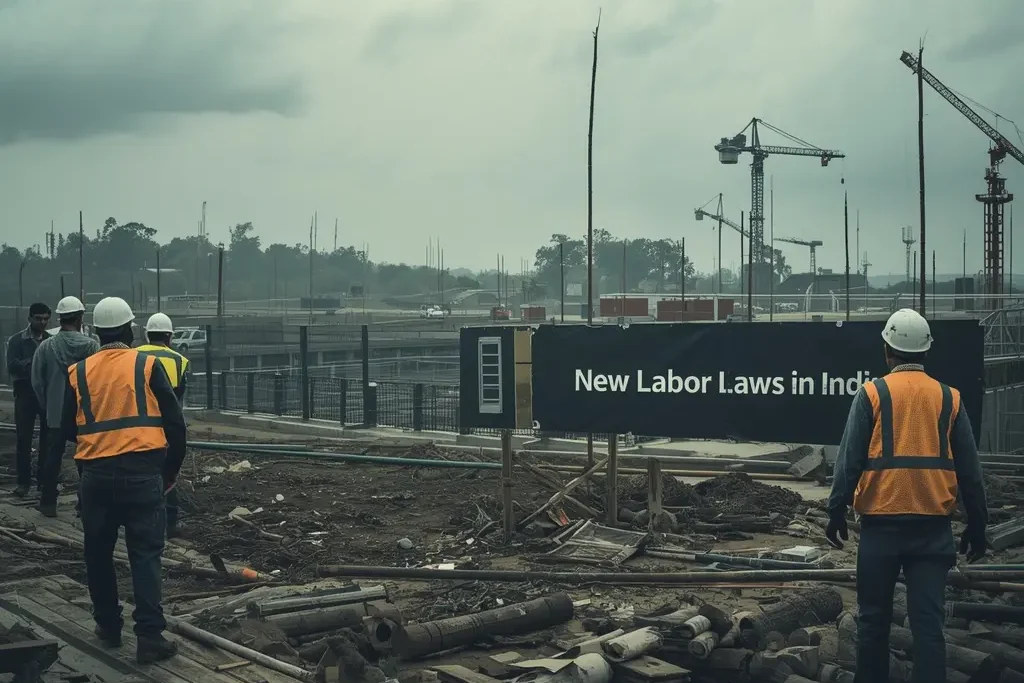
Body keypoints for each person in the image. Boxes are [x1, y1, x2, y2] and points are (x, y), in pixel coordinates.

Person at [826, 308, 988, 683]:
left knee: (872, 622)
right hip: (933, 529)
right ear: (926, 352)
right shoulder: (950, 398)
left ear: (888, 350)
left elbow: (849, 459)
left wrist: (836, 510)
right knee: (929, 627)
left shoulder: (872, 394)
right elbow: (970, 471)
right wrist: (978, 524)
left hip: (881, 528)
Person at [62, 297, 185, 663]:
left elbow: (70, 426)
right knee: (145, 556)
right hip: (142, 474)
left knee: (97, 555)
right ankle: (149, 637)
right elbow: (175, 424)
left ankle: (108, 626)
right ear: (131, 329)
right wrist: (169, 471)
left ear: (95, 332)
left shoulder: (79, 371)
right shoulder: (146, 364)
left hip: (96, 477)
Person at [31, 296, 99, 517]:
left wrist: (47, 405)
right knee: (86, 459)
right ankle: (84, 504)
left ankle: (48, 502)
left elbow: (37, 381)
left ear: (60, 319)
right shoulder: (92, 347)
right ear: (80, 318)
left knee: (53, 457)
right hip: (84, 414)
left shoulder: (46, 346)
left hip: (55, 412)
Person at [136, 312, 190, 539]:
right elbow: (177, 399)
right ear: (170, 337)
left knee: (140, 472)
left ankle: (141, 519)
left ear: (147, 335)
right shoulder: (179, 360)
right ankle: (169, 523)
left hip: (138, 424)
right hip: (167, 426)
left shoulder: (133, 356)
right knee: (168, 474)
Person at [7, 303, 51, 497]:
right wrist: (37, 362)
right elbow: (12, 366)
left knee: (47, 441)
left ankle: (44, 482)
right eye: (38, 318)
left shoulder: (50, 340)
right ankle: (23, 483)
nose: (41, 322)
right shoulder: (17, 341)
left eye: (45, 318)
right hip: (25, 394)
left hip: (45, 395)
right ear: (30, 319)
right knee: (23, 440)